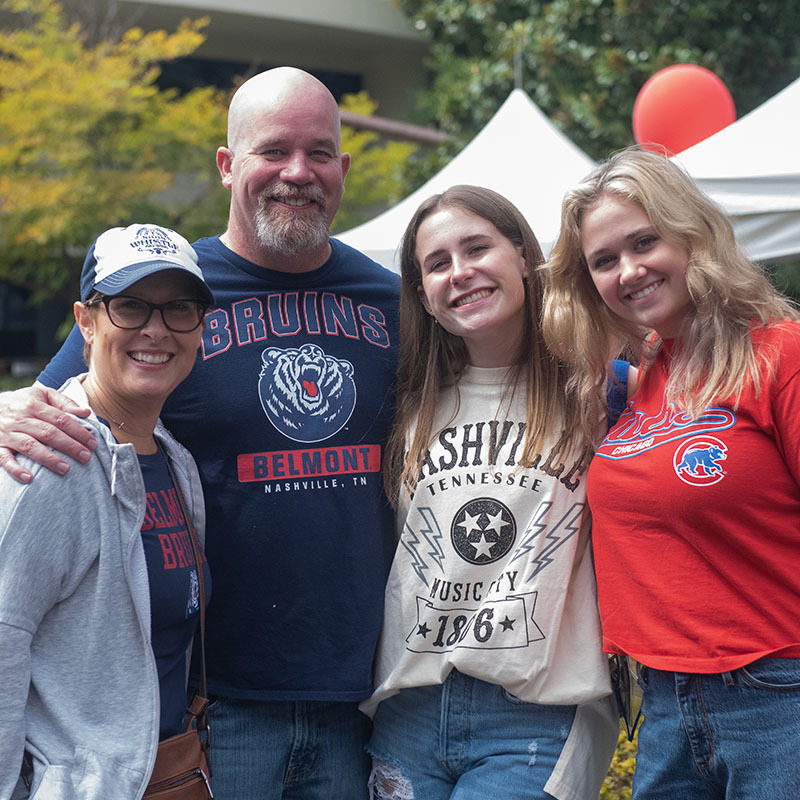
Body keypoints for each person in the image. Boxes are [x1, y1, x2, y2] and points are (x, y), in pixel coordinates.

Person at [0, 67, 400, 799]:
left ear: (343, 169)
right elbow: (54, 404)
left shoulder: (393, 301)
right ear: (227, 165)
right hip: (215, 708)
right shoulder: (172, 292)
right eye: (273, 150)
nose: (297, 173)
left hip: (359, 701)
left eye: (318, 153)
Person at [543, 146, 800, 800]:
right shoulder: (639, 376)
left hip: (778, 695)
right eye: (604, 260)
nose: (628, 271)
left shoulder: (778, 354)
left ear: (691, 234)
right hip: (665, 702)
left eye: (644, 242)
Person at [362, 185, 618, 800]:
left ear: (524, 259)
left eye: (478, 248)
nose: (461, 272)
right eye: (438, 263)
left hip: (534, 711)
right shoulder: (407, 405)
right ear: (422, 295)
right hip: (410, 705)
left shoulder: (598, 391)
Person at [0, 224, 213, 798]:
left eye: (179, 309)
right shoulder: (51, 461)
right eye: (130, 306)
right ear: (86, 322)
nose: (156, 329)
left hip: (167, 773)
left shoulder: (173, 460)